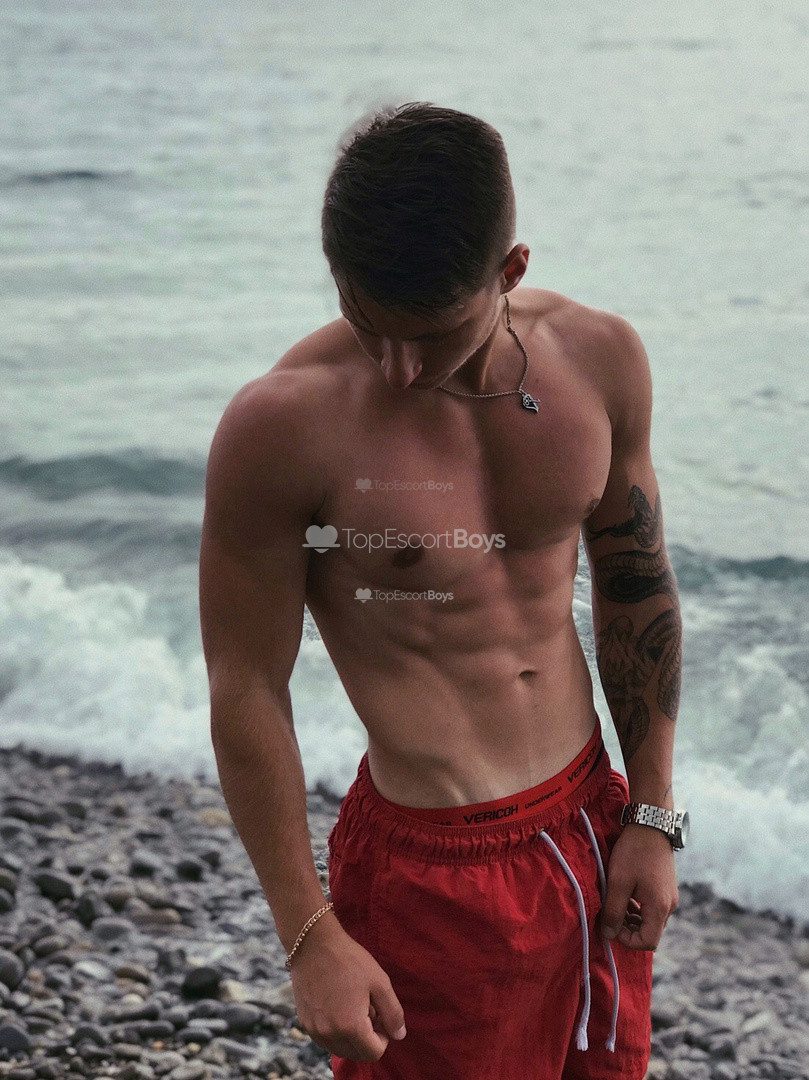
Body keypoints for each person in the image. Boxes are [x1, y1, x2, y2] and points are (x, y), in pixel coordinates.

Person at [198, 101, 686, 1080]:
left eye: (430, 335)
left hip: (590, 822)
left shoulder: (599, 361)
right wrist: (309, 935)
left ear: (510, 271)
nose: (398, 368)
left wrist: (651, 814)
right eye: (366, 324)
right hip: (428, 874)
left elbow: (635, 585)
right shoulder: (283, 427)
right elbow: (245, 684)